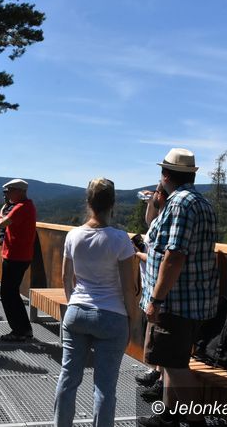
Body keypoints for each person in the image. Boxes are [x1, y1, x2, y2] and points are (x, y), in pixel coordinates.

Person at [138, 148, 219, 427]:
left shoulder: (179, 204)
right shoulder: (201, 203)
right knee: (172, 362)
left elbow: (174, 256)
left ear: (165, 175)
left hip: (175, 302)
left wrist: (156, 300)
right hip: (193, 300)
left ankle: (196, 421)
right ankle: (168, 416)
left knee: (175, 366)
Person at [53, 178, 137, 427]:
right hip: (112, 316)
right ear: (113, 204)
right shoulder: (120, 239)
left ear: (88, 202)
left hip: (77, 312)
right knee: (104, 388)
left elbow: (66, 277)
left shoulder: (73, 236)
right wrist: (132, 321)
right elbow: (129, 287)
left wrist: (73, 304)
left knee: (68, 379)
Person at [0, 179, 37, 341]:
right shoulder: (25, 206)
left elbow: (2, 223)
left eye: (8, 191)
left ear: (19, 191)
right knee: (12, 293)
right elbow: (7, 218)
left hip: (16, 256)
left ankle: (19, 331)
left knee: (8, 294)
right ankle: (24, 329)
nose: (6, 194)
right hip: (20, 256)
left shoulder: (21, 207)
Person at [134, 183, 169, 401]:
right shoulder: (159, 220)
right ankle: (156, 373)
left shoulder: (167, 222)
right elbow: (149, 222)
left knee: (160, 335)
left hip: (158, 288)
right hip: (150, 285)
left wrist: (138, 254)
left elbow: (161, 258)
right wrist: (150, 202)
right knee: (154, 333)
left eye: (156, 193)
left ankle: (161, 382)